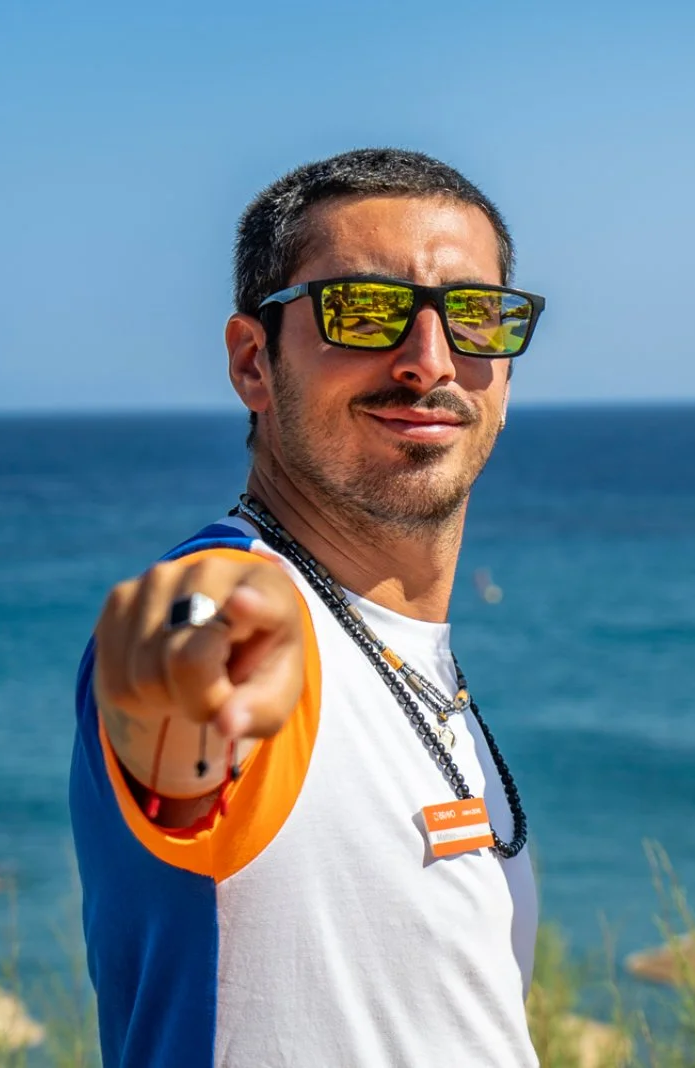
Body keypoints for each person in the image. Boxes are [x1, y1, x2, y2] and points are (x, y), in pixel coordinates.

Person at [69, 148, 546, 1067]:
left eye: (475, 315)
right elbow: (189, 650)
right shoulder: (243, 610)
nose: (430, 361)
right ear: (254, 363)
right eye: (362, 312)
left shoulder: (408, 655)